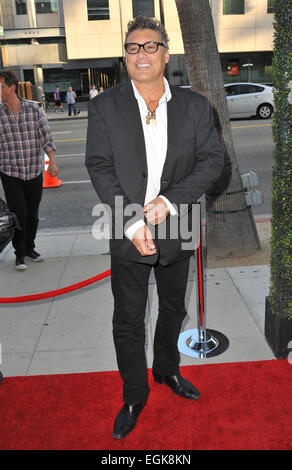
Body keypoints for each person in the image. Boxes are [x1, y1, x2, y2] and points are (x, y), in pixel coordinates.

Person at [85, 16, 224, 440]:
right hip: (126, 229)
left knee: (174, 309)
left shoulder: (196, 106)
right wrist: (131, 221)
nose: (141, 54)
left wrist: (167, 202)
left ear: (165, 53)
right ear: (125, 56)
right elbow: (100, 165)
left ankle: (166, 370)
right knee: (128, 319)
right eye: (133, 47)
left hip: (177, 225)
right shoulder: (105, 106)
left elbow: (212, 161)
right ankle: (134, 393)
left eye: (150, 46)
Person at [0, 69, 58, 270]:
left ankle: (30, 247)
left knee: (32, 213)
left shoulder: (34, 111)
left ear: (12, 87)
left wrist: (52, 162)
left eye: (1, 86)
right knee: (19, 213)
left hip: (34, 169)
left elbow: (46, 137)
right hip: (10, 171)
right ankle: (19, 253)